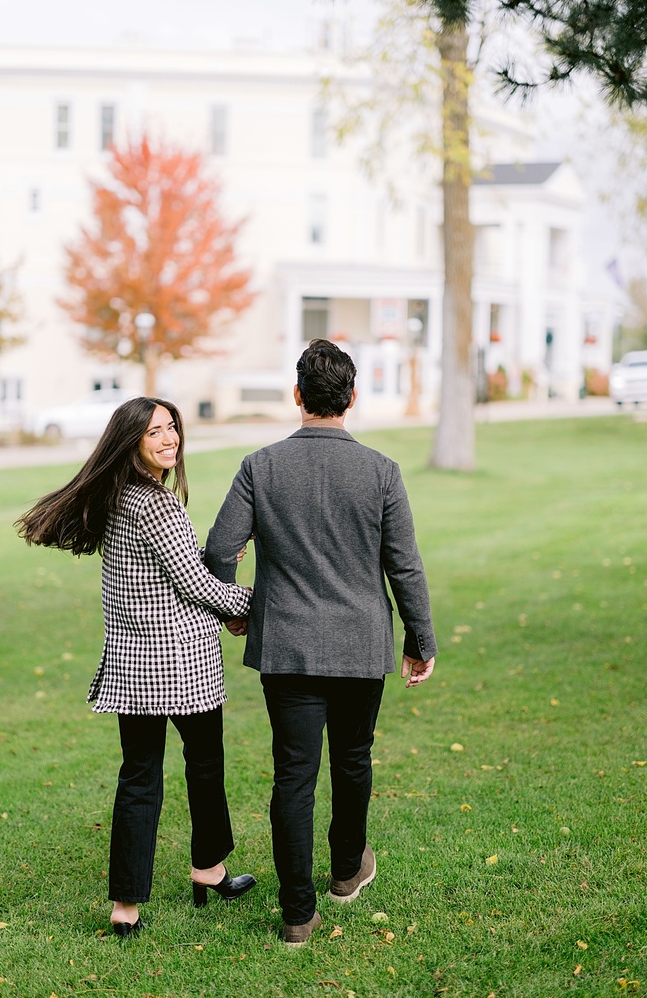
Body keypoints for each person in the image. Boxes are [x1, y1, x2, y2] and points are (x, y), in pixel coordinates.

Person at [204, 339, 437, 946]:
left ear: (298, 396)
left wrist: (234, 607)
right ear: (352, 398)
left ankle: (297, 913)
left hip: (288, 647)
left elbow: (218, 549)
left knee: (294, 776)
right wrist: (420, 639)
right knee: (353, 760)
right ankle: (344, 873)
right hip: (361, 644)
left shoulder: (261, 466)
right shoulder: (382, 471)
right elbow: (404, 566)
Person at [15, 396, 256, 937]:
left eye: (172, 428)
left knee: (139, 779)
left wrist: (209, 574)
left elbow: (167, 575)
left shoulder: (118, 498)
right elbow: (193, 585)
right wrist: (249, 604)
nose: (169, 439)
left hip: (132, 666)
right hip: (183, 665)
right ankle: (208, 870)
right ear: (132, 443)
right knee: (205, 767)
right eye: (154, 433)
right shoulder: (159, 505)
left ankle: (126, 908)